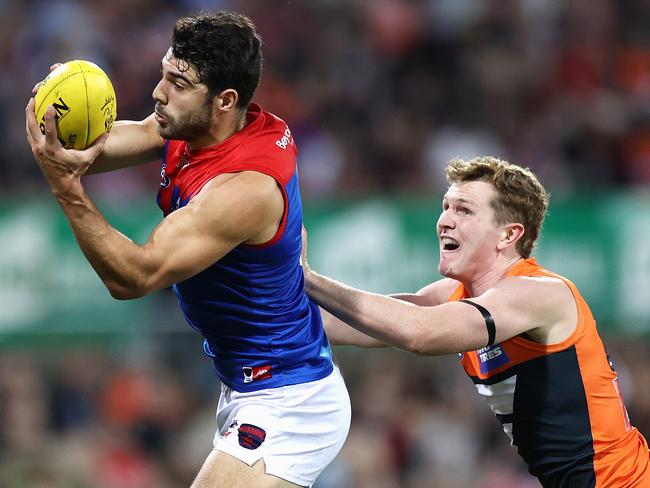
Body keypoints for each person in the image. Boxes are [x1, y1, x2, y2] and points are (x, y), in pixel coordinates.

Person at [25, 11, 350, 488]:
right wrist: (59, 128)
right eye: (164, 73)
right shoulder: (202, 126)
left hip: (290, 401)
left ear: (225, 100)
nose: (158, 92)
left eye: (177, 83)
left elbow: (134, 277)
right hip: (250, 385)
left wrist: (67, 189)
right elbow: (106, 143)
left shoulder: (243, 189)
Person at [301, 156, 650, 487]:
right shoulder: (452, 294)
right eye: (446, 207)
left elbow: (420, 333)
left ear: (508, 235)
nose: (444, 221)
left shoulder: (541, 293)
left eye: (464, 210)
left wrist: (308, 278)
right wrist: (264, 296)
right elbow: (343, 322)